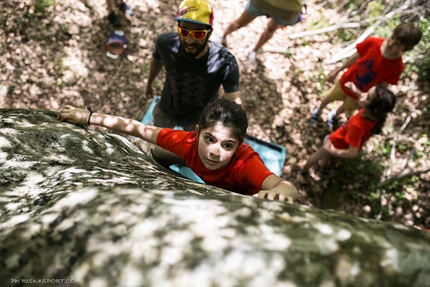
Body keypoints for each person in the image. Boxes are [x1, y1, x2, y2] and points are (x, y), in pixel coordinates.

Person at [57, 98, 298, 202]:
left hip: (228, 189)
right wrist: (89, 117)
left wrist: (280, 193)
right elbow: (135, 127)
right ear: (196, 132)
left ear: (239, 146)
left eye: (227, 145)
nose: (215, 151)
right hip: (190, 159)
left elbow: (286, 186)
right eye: (210, 139)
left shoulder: (245, 164)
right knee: (150, 146)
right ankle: (146, 152)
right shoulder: (187, 142)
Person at [145, 0, 242, 132]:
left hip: (200, 119)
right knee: (156, 141)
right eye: (184, 32)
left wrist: (234, 127)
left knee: (189, 150)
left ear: (209, 33)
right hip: (167, 108)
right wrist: (149, 83)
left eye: (198, 34)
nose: (189, 41)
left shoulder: (224, 62)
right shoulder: (165, 44)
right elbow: (156, 60)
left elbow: (233, 99)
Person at [310, 22, 422, 130]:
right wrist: (337, 70)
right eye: (392, 37)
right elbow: (355, 57)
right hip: (347, 80)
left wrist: (366, 98)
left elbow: (382, 86)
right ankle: (319, 109)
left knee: (347, 106)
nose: (391, 43)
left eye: (397, 44)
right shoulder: (373, 42)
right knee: (331, 96)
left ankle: (333, 114)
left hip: (359, 93)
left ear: (406, 49)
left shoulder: (397, 66)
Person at [302, 83, 396, 175]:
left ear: (373, 108)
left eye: (367, 96)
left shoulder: (357, 126)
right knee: (326, 155)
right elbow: (365, 100)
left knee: (318, 155)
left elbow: (352, 153)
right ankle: (322, 166)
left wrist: (332, 150)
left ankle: (304, 171)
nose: (363, 94)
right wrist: (355, 90)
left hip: (334, 142)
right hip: (343, 142)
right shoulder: (375, 116)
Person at [220, 0, 304, 70]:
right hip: (264, 2)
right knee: (239, 23)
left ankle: (253, 51)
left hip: (287, 10)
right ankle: (222, 36)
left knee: (270, 30)